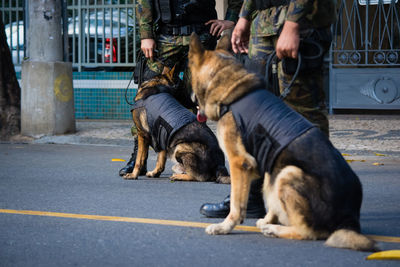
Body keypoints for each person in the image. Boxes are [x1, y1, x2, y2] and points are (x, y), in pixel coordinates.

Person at [199, 0, 336, 218]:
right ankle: (250, 199)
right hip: (263, 25)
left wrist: (292, 24)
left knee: (304, 114)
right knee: (256, 114)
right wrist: (244, 17)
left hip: (301, 21)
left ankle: (322, 200)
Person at [119, 0, 240, 176]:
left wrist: (230, 19)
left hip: (202, 37)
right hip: (166, 38)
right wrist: (146, 35)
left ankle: (194, 161)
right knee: (148, 101)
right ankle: (138, 159)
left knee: (195, 99)